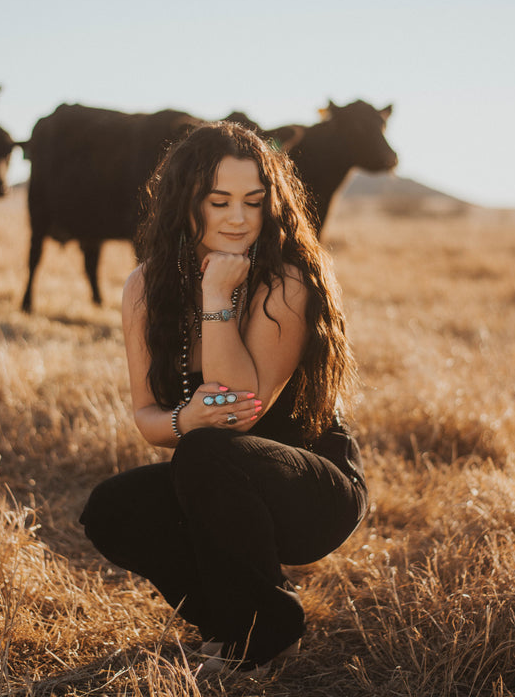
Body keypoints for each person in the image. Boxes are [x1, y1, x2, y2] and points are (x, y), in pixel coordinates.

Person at [80, 121, 368, 677]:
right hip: (215, 483)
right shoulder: (144, 287)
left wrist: (216, 300)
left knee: (206, 452)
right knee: (112, 509)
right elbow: (147, 416)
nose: (238, 218)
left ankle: (266, 631)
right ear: (185, 202)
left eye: (253, 202)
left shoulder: (284, 283)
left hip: (312, 493)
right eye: (220, 201)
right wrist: (184, 417)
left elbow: (239, 412)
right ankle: (233, 622)